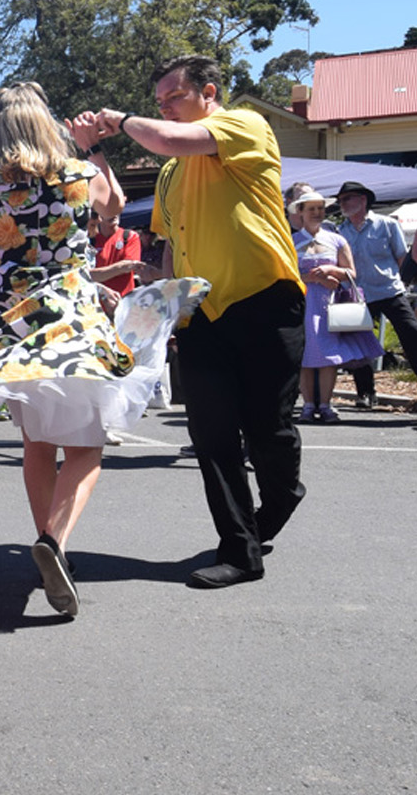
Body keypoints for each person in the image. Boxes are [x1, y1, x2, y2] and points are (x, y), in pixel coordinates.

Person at [0, 83, 204, 616]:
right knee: (88, 445)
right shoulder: (79, 177)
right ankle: (54, 542)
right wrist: (90, 147)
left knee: (37, 439)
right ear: (45, 125)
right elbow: (117, 204)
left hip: (11, 326)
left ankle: (48, 539)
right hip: (71, 321)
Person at [71, 54, 306, 589]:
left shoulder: (244, 124)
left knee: (268, 429)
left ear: (209, 93)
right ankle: (241, 552)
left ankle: (284, 492)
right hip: (201, 314)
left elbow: (167, 139)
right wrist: (162, 308)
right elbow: (172, 245)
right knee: (212, 434)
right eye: (159, 104)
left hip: (265, 299)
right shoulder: (172, 174)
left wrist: (121, 118)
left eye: (173, 98)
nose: (166, 110)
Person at [291, 191, 382, 422]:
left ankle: (326, 404)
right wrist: (313, 278)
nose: (317, 213)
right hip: (302, 303)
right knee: (306, 356)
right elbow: (284, 274)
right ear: (300, 212)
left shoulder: (337, 240)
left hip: (329, 306)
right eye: (311, 209)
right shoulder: (292, 241)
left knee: (328, 356)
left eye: (320, 208)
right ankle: (309, 405)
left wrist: (332, 271)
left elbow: (351, 272)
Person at [333, 180, 417, 410]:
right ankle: (366, 394)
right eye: (340, 200)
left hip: (390, 290)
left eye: (346, 199)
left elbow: (402, 257)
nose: (342, 204)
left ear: (363, 200)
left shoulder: (388, 224)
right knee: (359, 344)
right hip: (358, 295)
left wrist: (405, 283)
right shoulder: (340, 232)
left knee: (411, 334)